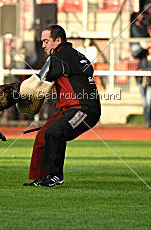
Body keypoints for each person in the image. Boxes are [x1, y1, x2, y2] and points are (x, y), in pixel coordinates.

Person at [23, 25, 101, 187]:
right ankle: (41, 178)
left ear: (57, 41)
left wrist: (16, 97)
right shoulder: (74, 54)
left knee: (55, 132)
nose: (43, 45)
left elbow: (36, 83)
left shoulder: (58, 57)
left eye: (46, 41)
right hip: (71, 109)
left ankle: (55, 176)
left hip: (83, 109)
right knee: (43, 136)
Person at [132, 41, 151, 128]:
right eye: (149, 47)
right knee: (144, 102)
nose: (150, 49)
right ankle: (147, 120)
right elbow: (134, 55)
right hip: (141, 80)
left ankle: (149, 121)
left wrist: (142, 70)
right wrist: (143, 47)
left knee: (148, 101)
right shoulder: (143, 53)